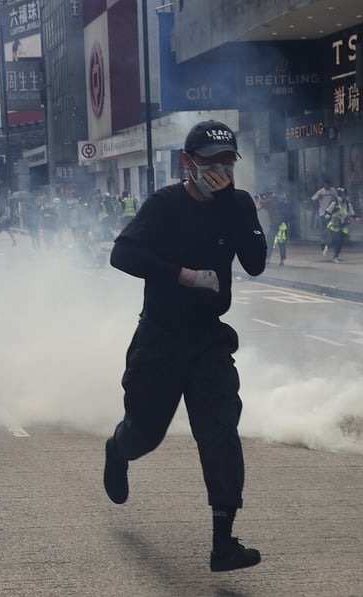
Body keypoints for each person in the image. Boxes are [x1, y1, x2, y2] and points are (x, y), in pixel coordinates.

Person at [103, 120, 267, 572]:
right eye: (210, 161)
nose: (219, 169)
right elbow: (122, 254)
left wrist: (233, 206)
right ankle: (118, 450)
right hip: (160, 337)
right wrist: (182, 275)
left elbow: (255, 263)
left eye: (227, 161)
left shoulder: (237, 204)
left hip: (209, 339)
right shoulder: (165, 204)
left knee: (219, 431)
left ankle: (223, 541)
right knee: (146, 433)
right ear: (187, 162)